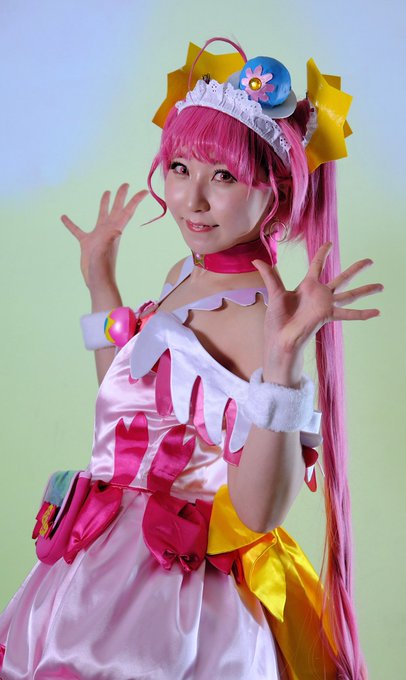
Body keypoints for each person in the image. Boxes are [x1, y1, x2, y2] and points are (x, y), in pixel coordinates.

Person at [0, 38, 382, 679]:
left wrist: (284, 361)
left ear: (276, 190)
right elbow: (127, 399)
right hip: (99, 556)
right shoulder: (188, 271)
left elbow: (258, 514)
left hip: (165, 595)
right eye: (180, 168)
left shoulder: (261, 316)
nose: (191, 199)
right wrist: (101, 283)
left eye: (224, 177)